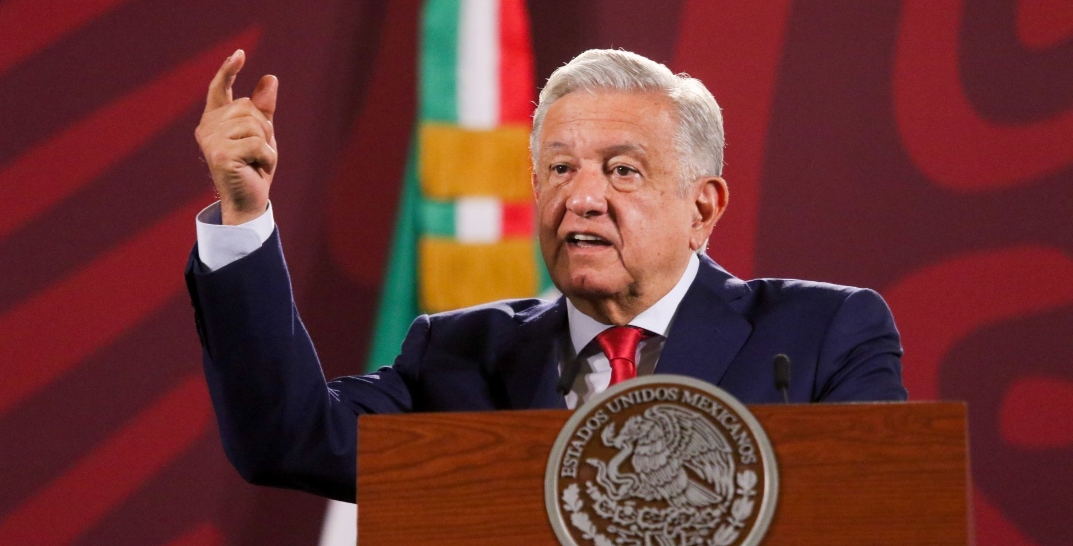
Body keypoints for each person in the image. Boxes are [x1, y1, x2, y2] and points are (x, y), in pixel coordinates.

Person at [186, 48, 906, 503]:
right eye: (559, 169)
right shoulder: (458, 357)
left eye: (622, 170)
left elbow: (882, 522)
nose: (582, 197)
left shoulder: (819, 339)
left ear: (703, 206)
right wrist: (245, 216)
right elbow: (289, 438)